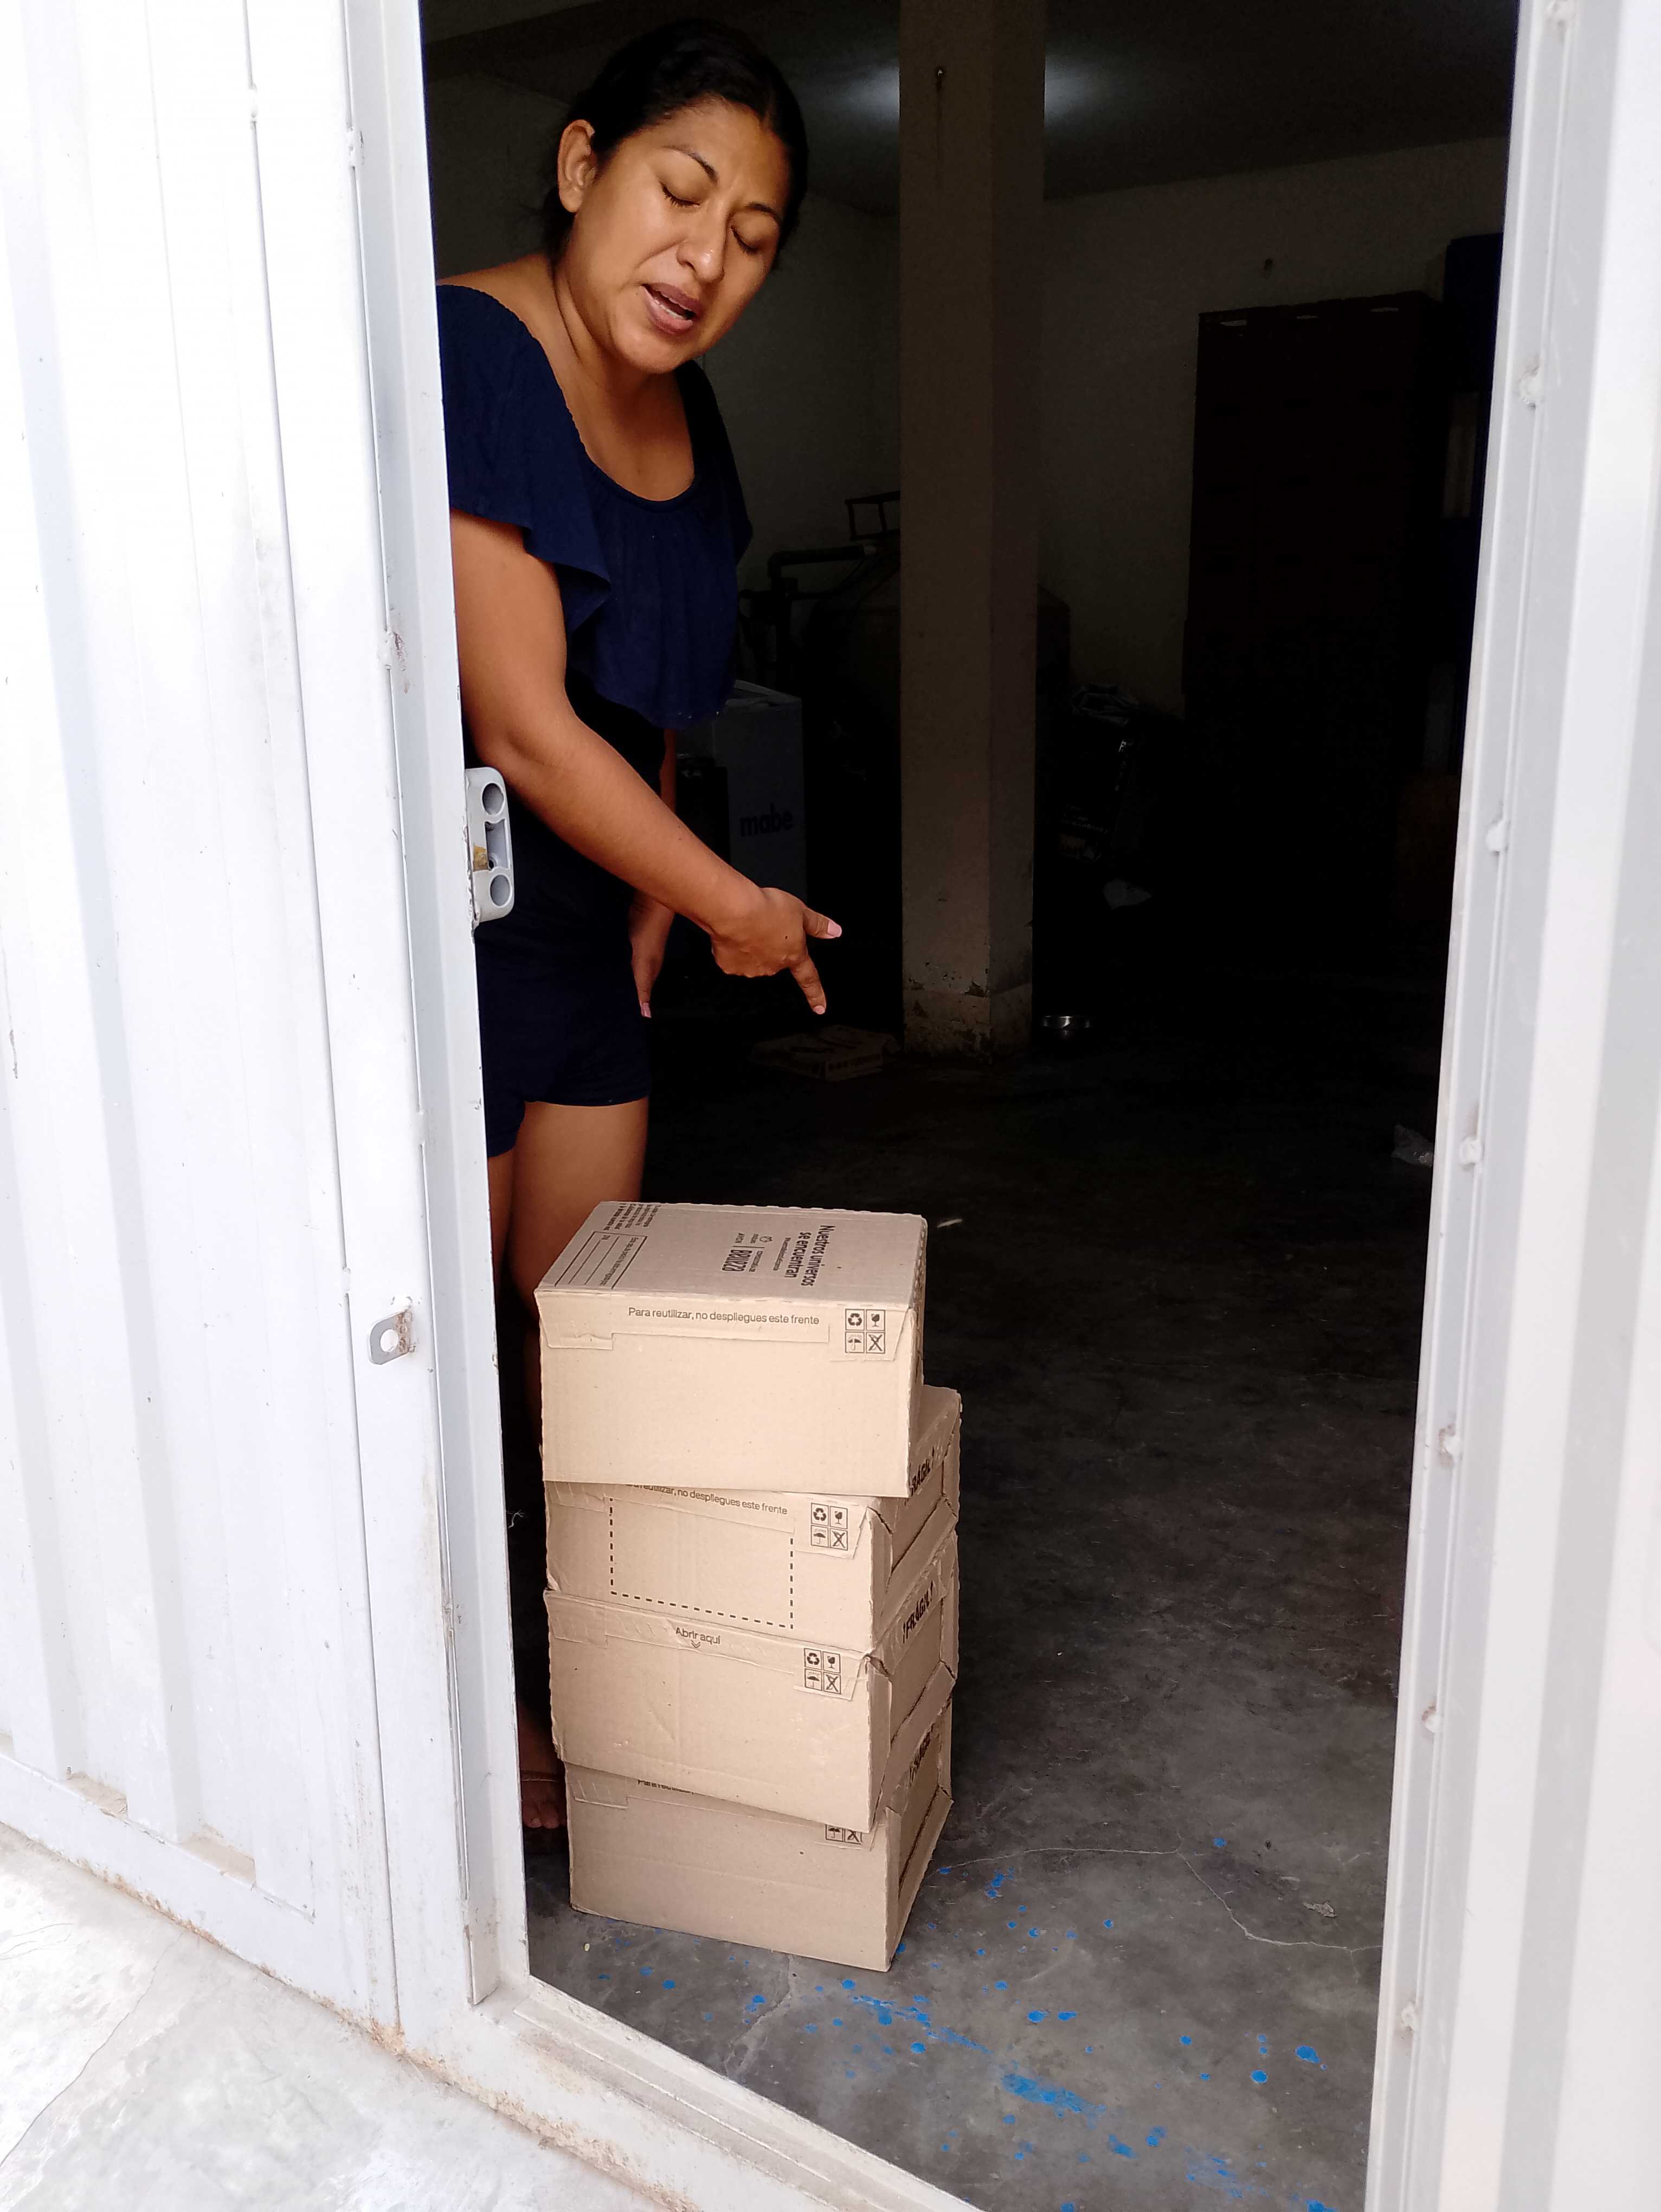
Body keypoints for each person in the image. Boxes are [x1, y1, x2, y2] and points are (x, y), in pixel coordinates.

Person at [438, 19, 834, 1832]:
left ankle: (585, 1673)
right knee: (440, 1358)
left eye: (752, 238)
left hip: (591, 929)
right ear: (584, 163)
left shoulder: (693, 417)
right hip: (443, 928)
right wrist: (731, 896)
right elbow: (523, 724)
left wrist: (663, 906)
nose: (705, 259)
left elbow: (657, 693)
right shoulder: (476, 349)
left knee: (569, 1343)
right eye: (680, 192)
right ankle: (463, 1722)